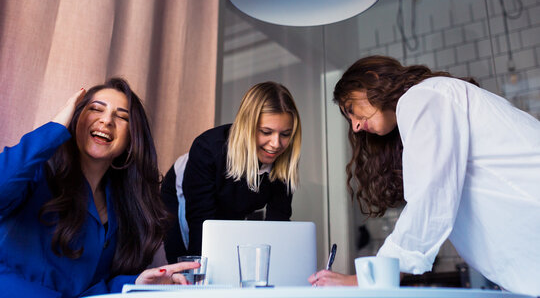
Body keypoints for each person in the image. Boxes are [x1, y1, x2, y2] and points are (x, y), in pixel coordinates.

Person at [309, 56, 540, 296]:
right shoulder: (431, 99)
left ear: (372, 79)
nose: (355, 126)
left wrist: (373, 278)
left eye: (351, 110)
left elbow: (430, 196)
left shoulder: (423, 97)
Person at [0, 78, 199, 297]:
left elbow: (88, 289)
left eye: (122, 116)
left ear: (132, 138)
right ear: (74, 119)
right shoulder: (37, 172)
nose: (107, 121)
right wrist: (56, 127)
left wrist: (135, 283)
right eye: (95, 109)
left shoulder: (122, 207)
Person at [161, 81, 301, 262]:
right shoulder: (208, 149)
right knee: (189, 261)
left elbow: (278, 223)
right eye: (266, 132)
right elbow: (201, 225)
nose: (276, 144)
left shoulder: (285, 160)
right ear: (247, 127)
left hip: (230, 200)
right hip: (180, 194)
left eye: (285, 134)